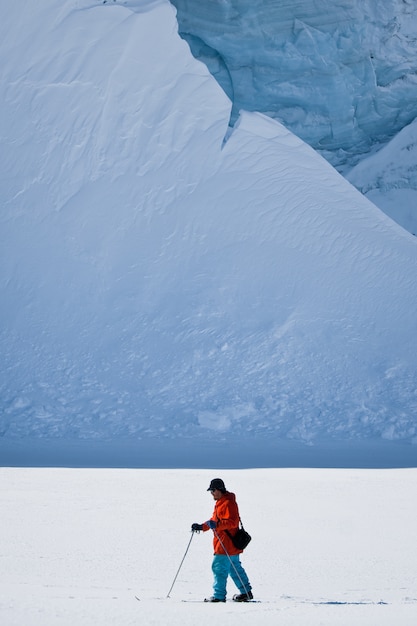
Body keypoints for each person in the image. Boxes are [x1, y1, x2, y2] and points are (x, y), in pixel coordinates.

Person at [191, 477, 253, 603]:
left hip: (225, 544)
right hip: (229, 545)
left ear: (219, 490)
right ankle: (246, 592)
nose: (211, 493)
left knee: (218, 567)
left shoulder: (228, 503)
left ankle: (219, 596)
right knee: (234, 568)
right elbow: (214, 521)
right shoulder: (221, 503)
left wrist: (217, 525)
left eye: (213, 490)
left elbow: (232, 522)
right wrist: (201, 527)